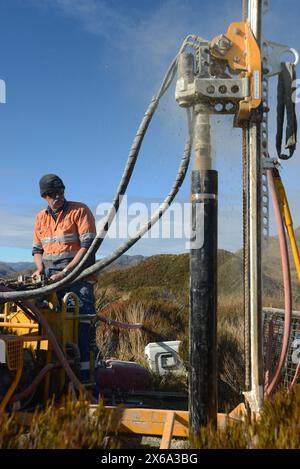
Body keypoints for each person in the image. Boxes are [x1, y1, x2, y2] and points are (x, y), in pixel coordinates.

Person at [32, 173, 97, 380]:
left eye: (60, 191)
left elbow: (87, 247)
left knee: (82, 329)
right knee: (48, 328)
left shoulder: (80, 211)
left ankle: (86, 384)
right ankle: (54, 380)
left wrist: (67, 271)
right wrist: (39, 268)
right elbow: (36, 249)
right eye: (52, 193)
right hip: (51, 280)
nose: (58, 196)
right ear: (44, 196)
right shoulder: (40, 218)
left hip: (78, 278)